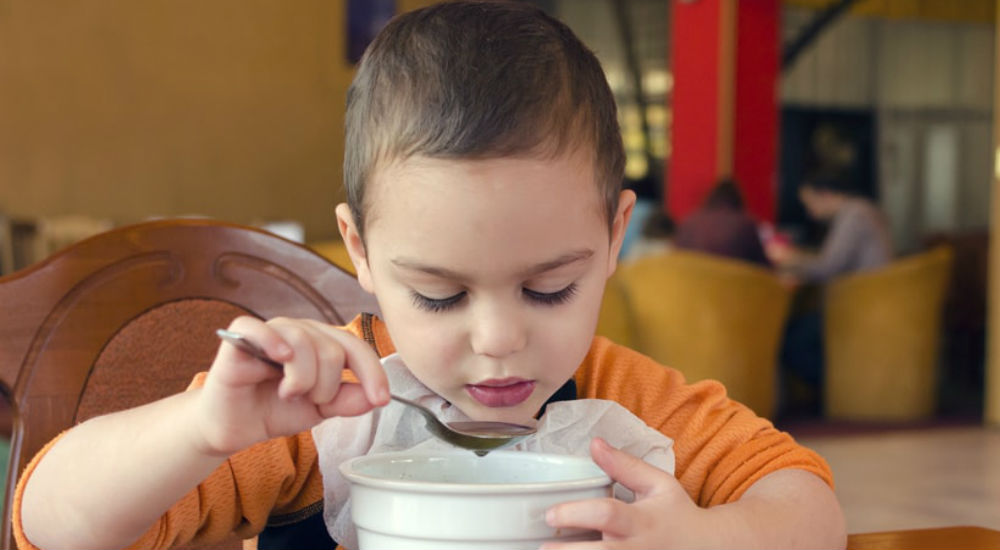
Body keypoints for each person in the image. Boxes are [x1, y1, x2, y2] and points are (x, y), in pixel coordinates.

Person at [15, 3, 845, 549]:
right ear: (362, 252)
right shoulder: (318, 411)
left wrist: (707, 537)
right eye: (441, 295)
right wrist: (204, 427)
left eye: (549, 288)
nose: (498, 340)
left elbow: (811, 510)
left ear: (615, 233)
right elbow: (44, 521)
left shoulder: (633, 406)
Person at [769, 172, 892, 283]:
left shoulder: (854, 215)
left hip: (863, 296)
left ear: (826, 195)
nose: (809, 212)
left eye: (809, 203)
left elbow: (828, 268)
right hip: (873, 291)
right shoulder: (861, 208)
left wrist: (791, 259)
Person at [673, 178, 770, 267]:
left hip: (690, 282)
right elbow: (762, 265)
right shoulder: (745, 223)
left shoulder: (690, 221)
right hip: (731, 283)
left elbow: (675, 257)